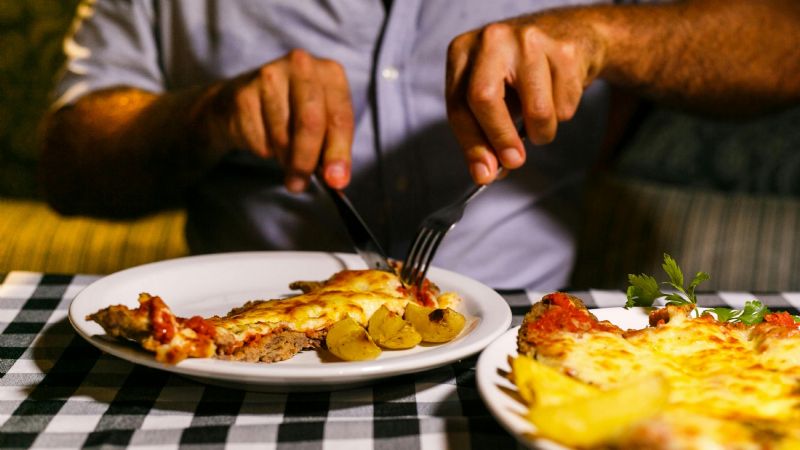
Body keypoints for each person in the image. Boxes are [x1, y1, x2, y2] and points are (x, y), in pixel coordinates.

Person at [40, 0, 800, 290]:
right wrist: (206, 115)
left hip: (524, 353)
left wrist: (613, 36)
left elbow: (783, 41)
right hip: (232, 343)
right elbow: (70, 168)